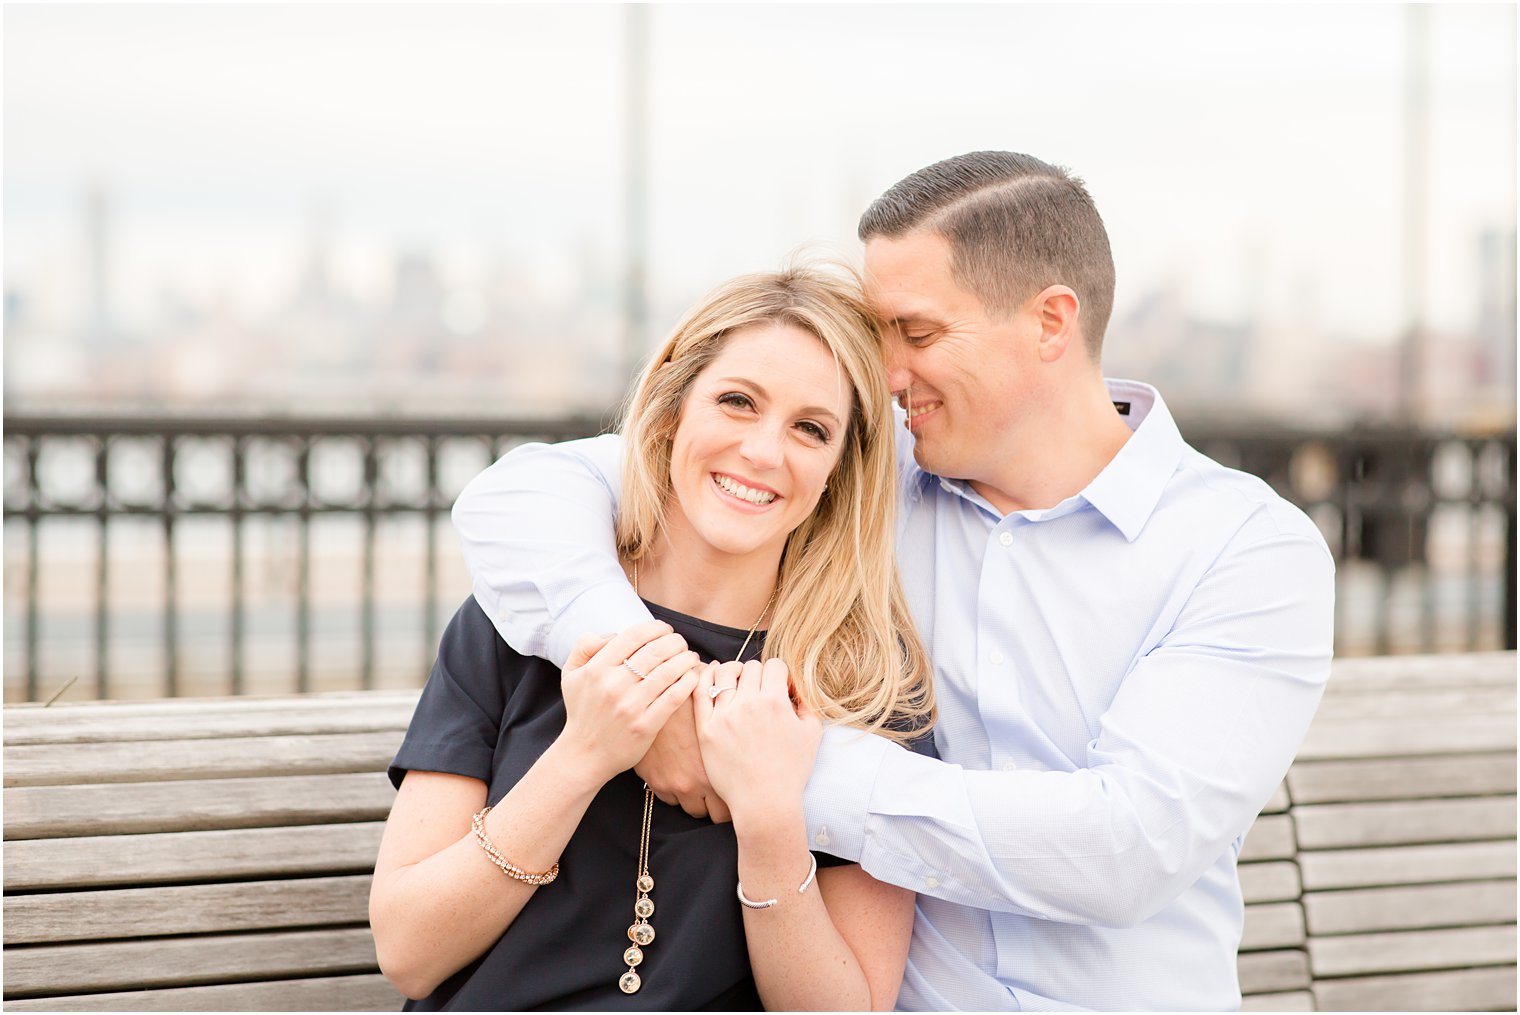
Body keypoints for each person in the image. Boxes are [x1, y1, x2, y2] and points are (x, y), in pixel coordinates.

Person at [451, 151, 1336, 1011]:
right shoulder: (861, 474)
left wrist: (769, 766)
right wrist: (653, 689)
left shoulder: (1246, 550)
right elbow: (521, 496)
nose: (883, 372)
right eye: (879, 335)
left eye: (916, 333)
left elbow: (1125, 848)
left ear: (1050, 323)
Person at [370, 264, 935, 1011]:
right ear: (673, 406)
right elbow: (408, 953)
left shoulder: (866, 684)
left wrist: (769, 818)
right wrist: (585, 754)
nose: (764, 452)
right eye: (738, 402)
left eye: (811, 428)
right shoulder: (517, 618)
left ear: (840, 465)